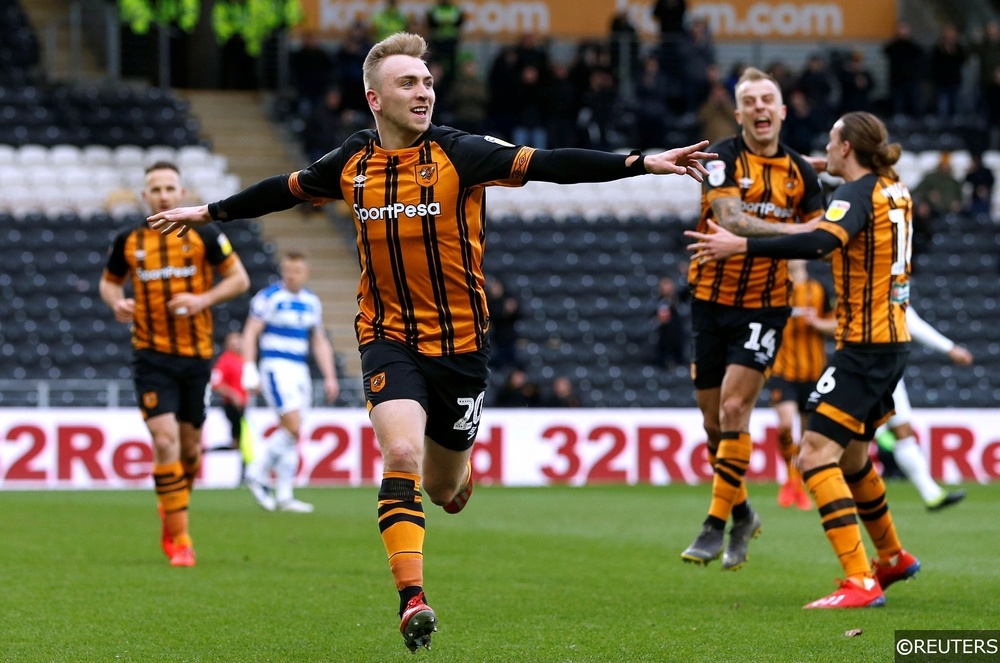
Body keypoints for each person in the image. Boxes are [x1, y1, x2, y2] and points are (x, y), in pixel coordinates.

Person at [147, 32, 714, 652]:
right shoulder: (351, 162)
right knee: (401, 458)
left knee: (444, 488)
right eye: (408, 83)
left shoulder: (459, 153)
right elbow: (283, 190)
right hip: (386, 338)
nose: (424, 93)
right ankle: (411, 598)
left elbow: (550, 163)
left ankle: (460, 476)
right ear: (374, 98)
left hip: (461, 348)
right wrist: (211, 212)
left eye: (427, 82)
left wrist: (640, 161)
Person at [686, 110, 920, 609]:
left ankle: (859, 580)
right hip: (891, 340)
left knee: (814, 455)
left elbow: (820, 242)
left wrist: (741, 244)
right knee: (854, 457)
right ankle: (893, 556)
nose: (827, 149)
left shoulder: (855, 195)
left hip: (864, 346)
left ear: (847, 149)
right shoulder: (894, 189)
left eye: (833, 142)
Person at [679, 67, 825, 572]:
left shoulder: (801, 174)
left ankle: (713, 524)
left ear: (782, 111)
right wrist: (795, 229)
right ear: (738, 114)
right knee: (714, 424)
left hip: (765, 304)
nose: (761, 108)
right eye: (751, 101)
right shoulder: (720, 159)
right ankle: (741, 511)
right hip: (709, 300)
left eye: (769, 99)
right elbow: (733, 220)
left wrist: (806, 229)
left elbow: (824, 239)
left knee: (737, 407)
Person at [99, 161, 250, 567]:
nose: (163, 195)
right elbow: (109, 283)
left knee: (189, 451)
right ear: (145, 196)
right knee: (163, 440)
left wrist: (201, 300)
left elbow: (239, 279)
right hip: (150, 355)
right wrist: (119, 303)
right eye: (155, 189)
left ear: (181, 194)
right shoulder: (128, 241)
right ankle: (180, 539)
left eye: (170, 188)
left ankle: (172, 504)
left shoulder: (204, 233)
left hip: (197, 356)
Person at [241, 251, 340, 513]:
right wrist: (248, 367)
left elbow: (319, 341)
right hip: (276, 367)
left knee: (293, 433)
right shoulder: (269, 297)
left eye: (296, 271)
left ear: (306, 273)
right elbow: (250, 333)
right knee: (293, 428)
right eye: (287, 270)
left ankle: (284, 496)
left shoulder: (311, 302)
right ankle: (256, 472)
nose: (291, 275)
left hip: (300, 369)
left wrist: (330, 376)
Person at [875, 305, 972, 510]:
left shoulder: (891, 286)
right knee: (853, 436)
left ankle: (932, 494)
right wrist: (950, 348)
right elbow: (913, 323)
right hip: (868, 369)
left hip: (888, 372)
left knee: (903, 433)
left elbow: (911, 320)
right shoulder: (881, 285)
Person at [767, 260, 836, 510]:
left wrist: (817, 323)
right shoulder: (775, 290)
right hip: (782, 371)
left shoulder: (819, 290)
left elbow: (838, 325)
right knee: (786, 425)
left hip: (814, 373)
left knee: (809, 435)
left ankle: (800, 482)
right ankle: (790, 478)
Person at [208, 330, 254, 483]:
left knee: (239, 442)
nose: (237, 344)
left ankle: (245, 475)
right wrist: (232, 394)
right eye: (233, 341)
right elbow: (216, 382)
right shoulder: (225, 360)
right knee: (243, 441)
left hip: (243, 406)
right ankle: (245, 476)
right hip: (232, 406)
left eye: (238, 340)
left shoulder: (243, 359)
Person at [649, 275, 687, 369]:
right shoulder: (656, 303)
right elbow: (649, 323)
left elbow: (688, 290)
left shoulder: (679, 299)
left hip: (678, 338)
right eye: (664, 285)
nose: (667, 288)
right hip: (663, 340)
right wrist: (658, 321)